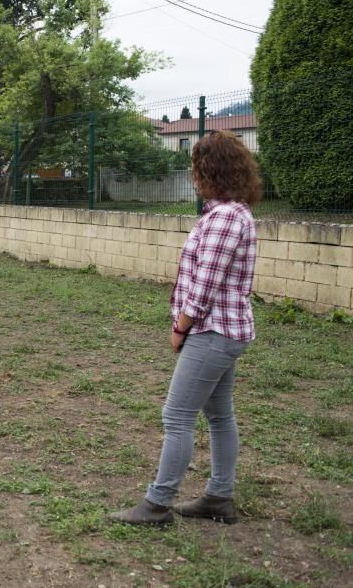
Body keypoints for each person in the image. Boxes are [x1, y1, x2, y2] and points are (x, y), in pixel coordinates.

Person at [108, 130, 261, 526]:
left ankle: (157, 505)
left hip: (212, 332)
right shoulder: (233, 212)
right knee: (219, 416)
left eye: (196, 167)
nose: (194, 175)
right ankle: (218, 498)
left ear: (209, 170)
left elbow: (205, 283)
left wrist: (181, 327)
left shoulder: (225, 217)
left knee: (177, 416)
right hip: (225, 332)